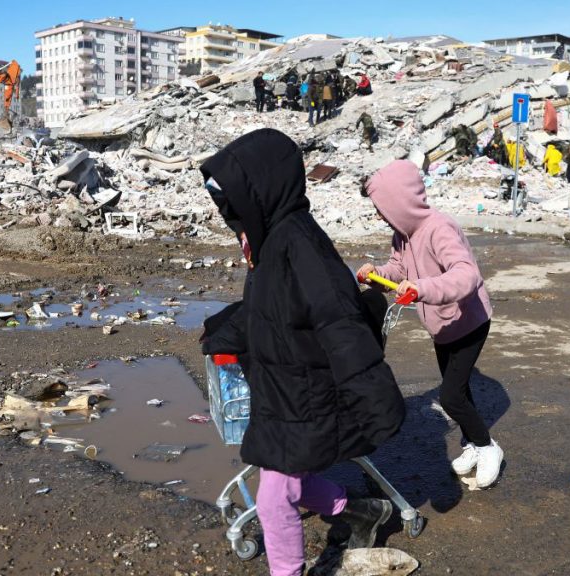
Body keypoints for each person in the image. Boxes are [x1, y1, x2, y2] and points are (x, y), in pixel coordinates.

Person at [201, 129, 405, 576]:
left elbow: (341, 324)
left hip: (305, 392)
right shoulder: (269, 240)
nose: (230, 209)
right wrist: (222, 333)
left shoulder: (301, 245)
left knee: (275, 496)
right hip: (280, 388)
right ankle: (362, 511)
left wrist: (376, 398)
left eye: (236, 196)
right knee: (293, 478)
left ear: (262, 188)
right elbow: (265, 311)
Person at [357, 159, 503, 489]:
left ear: (400, 201)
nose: (381, 215)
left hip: (469, 321)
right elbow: (398, 272)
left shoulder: (439, 228)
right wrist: (376, 276)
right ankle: (473, 443)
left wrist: (422, 289)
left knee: (451, 397)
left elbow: (466, 275)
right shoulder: (403, 236)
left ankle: (489, 448)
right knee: (460, 390)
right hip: (442, 326)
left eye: (382, 208)